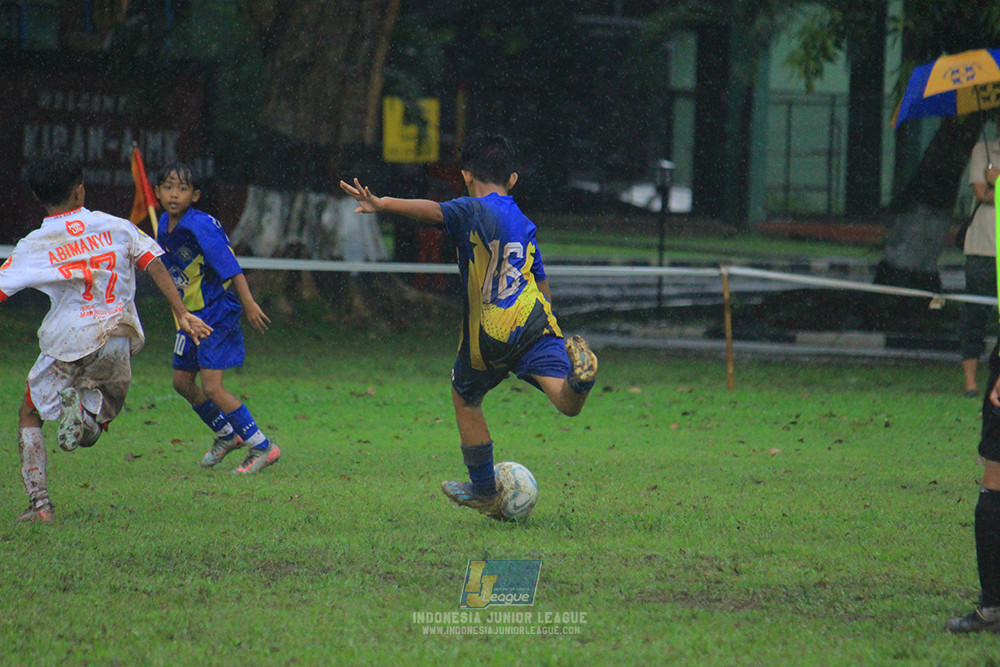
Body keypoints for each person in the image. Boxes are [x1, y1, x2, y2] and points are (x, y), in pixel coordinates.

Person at [340, 130, 598, 520]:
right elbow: (540, 281)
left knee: (465, 396)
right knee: (565, 401)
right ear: (513, 179)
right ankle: (579, 383)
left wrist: (383, 203)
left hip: (490, 331)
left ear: (465, 176)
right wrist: (553, 332)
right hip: (533, 318)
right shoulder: (525, 223)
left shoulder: (471, 209)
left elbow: (432, 210)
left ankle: (482, 489)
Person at [0, 152, 212, 522]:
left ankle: (41, 506)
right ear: (80, 191)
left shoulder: (34, 244)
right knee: (95, 428)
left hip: (67, 341)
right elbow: (153, 262)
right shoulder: (115, 226)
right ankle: (83, 417)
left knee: (30, 412)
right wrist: (182, 312)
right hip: (117, 338)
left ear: (38, 197)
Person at [154, 162, 281, 474]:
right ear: (157, 192)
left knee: (213, 388)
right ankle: (227, 436)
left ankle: (262, 446)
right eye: (168, 187)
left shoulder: (201, 226)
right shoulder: (162, 223)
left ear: (195, 195)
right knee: (182, 382)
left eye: (182, 189)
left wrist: (249, 303)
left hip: (215, 314)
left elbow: (231, 265)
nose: (174, 195)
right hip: (189, 316)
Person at [959, 116, 1000, 397]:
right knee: (974, 313)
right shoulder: (982, 150)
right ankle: (971, 383)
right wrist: (990, 185)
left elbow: (991, 190)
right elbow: (981, 193)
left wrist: (996, 180)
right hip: (982, 247)